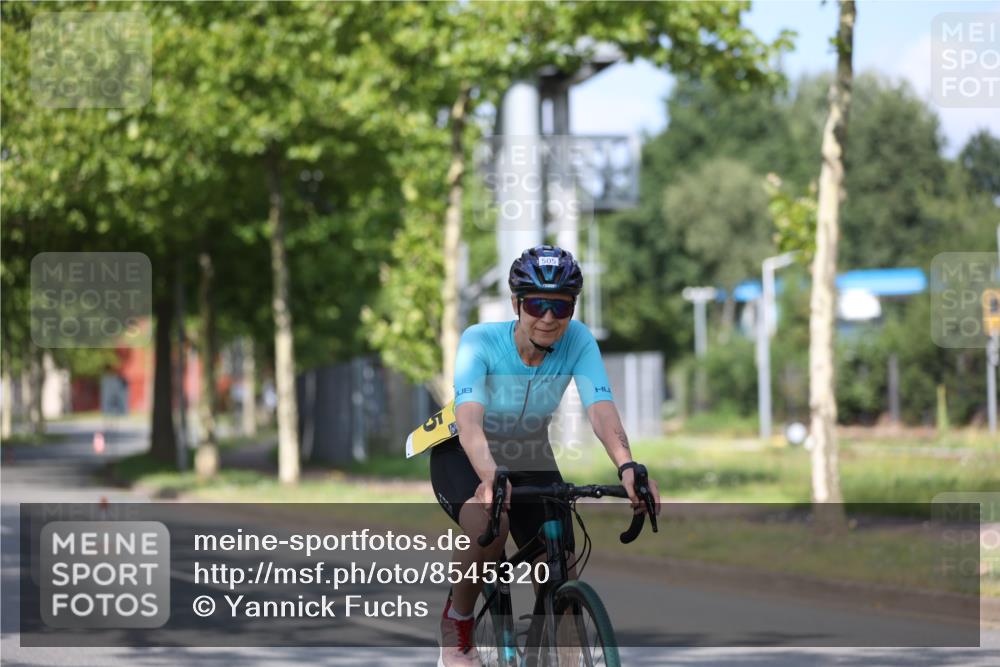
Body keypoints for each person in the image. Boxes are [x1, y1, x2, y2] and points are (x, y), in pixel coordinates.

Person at [430, 245, 662, 666]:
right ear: (517, 303)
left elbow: (601, 406)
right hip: (464, 449)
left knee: (561, 572)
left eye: (562, 306)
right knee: (491, 522)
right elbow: (469, 423)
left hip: (528, 451)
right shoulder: (479, 340)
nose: (549, 317)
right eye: (537, 303)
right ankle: (458, 623)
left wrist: (627, 465)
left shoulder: (579, 339)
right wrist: (490, 476)